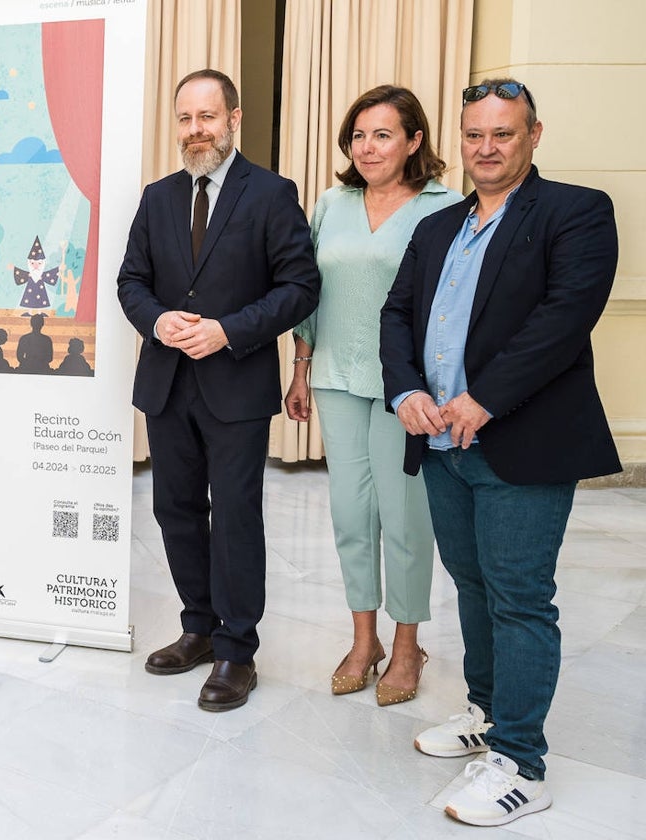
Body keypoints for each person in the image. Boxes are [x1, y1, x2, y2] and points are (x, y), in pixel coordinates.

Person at [379, 78, 619, 826]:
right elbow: (397, 314)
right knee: (473, 584)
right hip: (440, 441)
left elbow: (564, 317)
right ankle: (487, 712)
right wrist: (406, 392)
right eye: (475, 135)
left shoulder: (577, 212)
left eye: (503, 134)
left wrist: (483, 398)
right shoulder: (437, 226)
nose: (486, 148)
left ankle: (521, 763)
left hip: (522, 441)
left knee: (519, 597)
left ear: (534, 135)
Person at [117, 69, 320, 711]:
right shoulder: (157, 197)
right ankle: (198, 628)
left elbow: (299, 288)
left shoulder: (272, 193)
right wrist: (156, 318)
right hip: (168, 384)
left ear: (234, 118)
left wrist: (229, 332)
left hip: (235, 386)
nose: (196, 130)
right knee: (174, 510)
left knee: (234, 517)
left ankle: (237, 650)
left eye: (208, 117)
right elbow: (131, 281)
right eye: (185, 119)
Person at [284, 86, 461, 705]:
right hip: (335, 373)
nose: (367, 147)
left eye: (383, 135)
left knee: (405, 515)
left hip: (408, 387)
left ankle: (408, 642)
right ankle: (365, 639)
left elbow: (456, 301)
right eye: (358, 135)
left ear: (415, 141)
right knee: (349, 514)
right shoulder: (332, 203)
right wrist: (301, 366)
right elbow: (308, 288)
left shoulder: (446, 207)